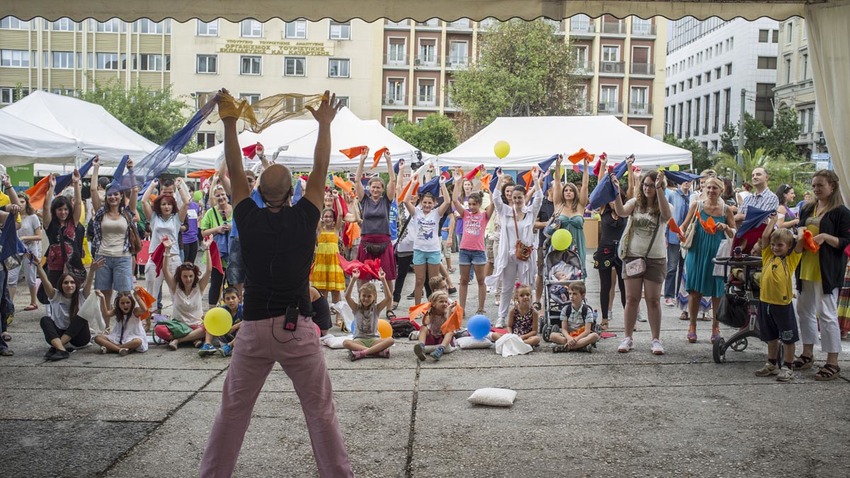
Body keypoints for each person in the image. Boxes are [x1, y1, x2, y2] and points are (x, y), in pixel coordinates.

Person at [201, 90, 353, 477]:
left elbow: (235, 170)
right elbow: (320, 169)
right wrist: (323, 125)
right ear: (291, 193)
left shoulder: (246, 218)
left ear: (257, 192)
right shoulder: (305, 216)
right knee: (321, 414)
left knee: (232, 414)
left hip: (252, 328)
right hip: (297, 327)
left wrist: (230, 122)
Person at [793, 170, 850, 381]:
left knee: (827, 313)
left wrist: (825, 236)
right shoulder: (808, 207)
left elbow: (845, 241)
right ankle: (807, 352)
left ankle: (832, 361)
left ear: (832, 186)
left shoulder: (841, 212)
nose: (816, 189)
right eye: (814, 185)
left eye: (820, 185)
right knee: (804, 311)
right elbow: (800, 226)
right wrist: (800, 232)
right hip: (806, 265)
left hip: (827, 269)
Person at [611, 170, 672, 355]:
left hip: (655, 257)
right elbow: (621, 212)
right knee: (631, 299)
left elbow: (667, 215)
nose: (647, 188)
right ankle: (627, 337)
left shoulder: (663, 204)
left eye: (651, 185)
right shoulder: (635, 203)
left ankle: (656, 339)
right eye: (645, 185)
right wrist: (615, 190)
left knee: (653, 300)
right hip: (633, 256)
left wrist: (660, 189)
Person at [679, 177, 736, 344]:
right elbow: (684, 225)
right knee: (694, 290)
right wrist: (680, 232)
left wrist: (725, 227)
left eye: (715, 188)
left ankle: (715, 327)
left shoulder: (726, 210)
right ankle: (692, 326)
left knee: (717, 291)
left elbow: (734, 233)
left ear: (721, 191)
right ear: (705, 189)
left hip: (717, 253)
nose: (711, 191)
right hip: (697, 251)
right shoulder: (697, 205)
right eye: (709, 188)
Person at [487, 170, 544, 327]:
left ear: (524, 198)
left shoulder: (530, 212)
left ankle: (526, 317)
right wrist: (499, 180)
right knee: (507, 287)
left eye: (520, 197)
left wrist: (535, 180)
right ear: (511, 198)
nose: (517, 200)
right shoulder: (505, 211)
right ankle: (501, 317)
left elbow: (539, 198)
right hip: (509, 256)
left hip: (525, 256)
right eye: (515, 197)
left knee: (526, 288)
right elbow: (496, 198)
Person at [754, 215, 803, 382]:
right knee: (770, 336)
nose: (775, 247)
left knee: (788, 337)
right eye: (774, 245)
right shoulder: (768, 255)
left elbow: (801, 243)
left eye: (780, 245)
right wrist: (773, 222)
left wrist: (801, 229)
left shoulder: (790, 260)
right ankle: (772, 363)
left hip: (782, 304)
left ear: (789, 246)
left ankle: (788, 367)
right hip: (765, 302)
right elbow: (765, 237)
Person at [33, 254, 104, 361]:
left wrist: (92, 270)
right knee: (45, 319)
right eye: (66, 283)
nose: (69, 285)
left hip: (79, 338)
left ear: (76, 285)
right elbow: (45, 281)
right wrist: (38, 266)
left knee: (81, 317)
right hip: (59, 333)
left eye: (72, 282)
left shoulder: (81, 295)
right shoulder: (55, 295)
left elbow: (88, 283)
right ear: (61, 285)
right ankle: (62, 350)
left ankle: (57, 347)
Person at [90, 156, 138, 314]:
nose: (113, 197)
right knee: (105, 296)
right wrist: (96, 167)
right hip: (102, 256)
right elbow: (92, 190)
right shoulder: (100, 212)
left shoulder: (127, 212)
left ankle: (124, 328)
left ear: (121, 196)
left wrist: (131, 170)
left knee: (125, 295)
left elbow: (135, 190)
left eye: (116, 194)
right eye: (110, 194)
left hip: (123, 257)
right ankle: (106, 328)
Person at [142, 176, 190, 315]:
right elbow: (144, 201)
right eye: (163, 204)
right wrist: (152, 186)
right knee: (151, 291)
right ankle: (147, 323)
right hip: (155, 258)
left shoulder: (176, 218)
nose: (166, 206)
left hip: (173, 257)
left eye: (169, 204)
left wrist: (179, 186)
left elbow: (186, 202)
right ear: (159, 205)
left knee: (177, 291)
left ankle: (178, 319)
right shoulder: (153, 218)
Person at [354, 147, 397, 298]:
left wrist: (389, 161)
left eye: (379, 187)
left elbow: (393, 180)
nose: (376, 189)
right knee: (363, 276)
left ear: (382, 189)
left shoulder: (386, 201)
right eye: (373, 187)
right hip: (366, 242)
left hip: (384, 241)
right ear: (369, 188)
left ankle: (389, 305)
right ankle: (362, 302)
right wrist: (362, 160)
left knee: (387, 276)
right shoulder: (364, 200)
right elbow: (357, 180)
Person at [157, 237, 213, 350]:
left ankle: (179, 340)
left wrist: (207, 248)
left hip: (196, 325)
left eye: (191, 276)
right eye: (185, 276)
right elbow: (165, 270)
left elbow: (209, 270)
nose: (188, 279)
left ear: (195, 276)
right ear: (180, 277)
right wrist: (167, 250)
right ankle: (193, 338)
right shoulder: (175, 287)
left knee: (209, 327)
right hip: (179, 326)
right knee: (159, 329)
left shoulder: (199, 287)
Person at [451, 171, 494, 315]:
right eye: (469, 204)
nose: (471, 206)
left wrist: (489, 187)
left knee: (481, 281)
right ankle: (461, 309)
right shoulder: (465, 214)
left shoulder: (484, 216)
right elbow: (455, 201)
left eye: (474, 204)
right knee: (463, 281)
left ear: (480, 205)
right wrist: (458, 183)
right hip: (464, 250)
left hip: (478, 252)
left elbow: (494, 203)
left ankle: (481, 307)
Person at [403, 179, 451, 304]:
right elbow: (405, 200)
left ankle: (434, 307)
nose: (427, 205)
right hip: (419, 250)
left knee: (434, 282)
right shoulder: (416, 212)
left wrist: (442, 184)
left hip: (433, 251)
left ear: (434, 203)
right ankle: (417, 308)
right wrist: (412, 184)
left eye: (430, 203)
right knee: (419, 281)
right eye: (425, 202)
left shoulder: (437, 213)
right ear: (421, 202)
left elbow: (447, 201)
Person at [42, 172, 85, 290]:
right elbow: (46, 207)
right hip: (55, 266)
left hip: (73, 264)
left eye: (66, 209)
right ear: (54, 211)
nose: (63, 212)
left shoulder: (73, 222)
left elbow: (77, 203)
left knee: (74, 294)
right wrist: (52, 187)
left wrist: (76, 184)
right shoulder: (50, 225)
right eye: (60, 209)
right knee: (56, 295)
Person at [342, 269, 394, 360]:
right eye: (364, 296)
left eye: (369, 296)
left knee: (391, 340)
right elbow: (347, 296)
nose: (366, 298)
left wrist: (383, 279)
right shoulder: (356, 308)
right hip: (359, 340)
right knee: (346, 343)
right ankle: (376, 352)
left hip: (374, 340)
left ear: (374, 297)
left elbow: (389, 297)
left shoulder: (376, 309)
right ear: (360, 296)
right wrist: (354, 279)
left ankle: (363, 353)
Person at [552, 154, 590, 276]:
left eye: (571, 190)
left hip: (577, 243)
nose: (568, 192)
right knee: (561, 272)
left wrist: (585, 167)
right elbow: (557, 183)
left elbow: (585, 186)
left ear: (575, 193)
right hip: (561, 244)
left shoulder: (580, 206)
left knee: (577, 272)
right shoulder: (558, 205)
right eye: (566, 190)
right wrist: (558, 165)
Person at [200, 184, 232, 306]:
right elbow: (203, 232)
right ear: (214, 197)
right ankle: (212, 311)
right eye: (218, 195)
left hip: (232, 253)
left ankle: (231, 310)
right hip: (216, 254)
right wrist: (217, 229)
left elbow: (244, 228)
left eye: (223, 194)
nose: (221, 197)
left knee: (232, 283)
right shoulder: (210, 213)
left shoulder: (235, 209)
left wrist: (231, 227)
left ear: (227, 195)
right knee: (215, 283)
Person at [733, 167, 779, 253]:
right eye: (753, 175)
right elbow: (738, 219)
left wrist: (742, 217)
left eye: (758, 174)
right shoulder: (747, 199)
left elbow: (762, 219)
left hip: (759, 241)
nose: (754, 177)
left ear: (766, 177)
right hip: (742, 238)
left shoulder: (772, 197)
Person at [10, 192, 41, 313]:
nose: (20, 204)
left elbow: (39, 236)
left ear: (27, 203)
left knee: (30, 277)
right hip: (15, 249)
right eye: (18, 201)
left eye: (22, 202)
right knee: (12, 277)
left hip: (30, 248)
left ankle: (33, 301)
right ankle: (9, 304)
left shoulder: (32, 217)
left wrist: (25, 238)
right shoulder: (11, 217)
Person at [548, 281, 600, 353]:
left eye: (575, 294)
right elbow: (564, 329)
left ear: (583, 295)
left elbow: (587, 331)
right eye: (570, 294)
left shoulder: (587, 310)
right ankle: (581, 347)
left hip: (582, 336)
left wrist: (576, 339)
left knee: (595, 336)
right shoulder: (566, 309)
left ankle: (565, 347)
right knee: (552, 336)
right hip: (570, 335)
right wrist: (569, 338)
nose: (571, 296)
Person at [311, 199, 345, 304]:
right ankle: (324, 314)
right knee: (322, 291)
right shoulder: (320, 229)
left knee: (336, 291)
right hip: (322, 264)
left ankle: (339, 315)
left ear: (333, 219)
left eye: (330, 216)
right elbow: (315, 210)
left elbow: (340, 214)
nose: (328, 218)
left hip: (333, 264)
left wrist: (336, 198)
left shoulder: (336, 230)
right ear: (322, 218)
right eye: (326, 216)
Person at [93, 289, 148, 355]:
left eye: (128, 302)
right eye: (122, 303)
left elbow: (144, 309)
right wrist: (102, 298)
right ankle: (120, 349)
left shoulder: (135, 311)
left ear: (132, 303)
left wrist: (136, 296)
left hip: (132, 337)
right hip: (117, 337)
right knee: (97, 338)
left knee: (138, 342)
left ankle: (112, 348)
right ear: (118, 304)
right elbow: (106, 313)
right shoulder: (117, 311)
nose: (125, 305)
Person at [664, 178, 692, 308]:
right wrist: (665, 235)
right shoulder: (672, 195)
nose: (687, 183)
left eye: (689, 181)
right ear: (679, 182)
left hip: (688, 237)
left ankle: (679, 295)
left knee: (684, 268)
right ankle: (668, 295)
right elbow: (667, 216)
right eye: (684, 181)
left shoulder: (693, 196)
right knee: (672, 267)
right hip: (674, 236)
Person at [413, 290, 456, 362]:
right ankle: (421, 347)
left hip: (443, 339)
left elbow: (448, 325)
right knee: (423, 327)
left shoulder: (446, 312)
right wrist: (425, 314)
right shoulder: (431, 312)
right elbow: (425, 323)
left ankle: (441, 349)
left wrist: (449, 309)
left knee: (450, 331)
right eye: (441, 301)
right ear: (433, 304)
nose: (444, 303)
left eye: (446, 302)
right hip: (432, 338)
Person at [201, 286, 244, 358]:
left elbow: (250, 321)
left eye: (233, 298)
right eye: (228, 299)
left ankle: (230, 346)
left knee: (244, 328)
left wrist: (234, 327)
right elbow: (208, 317)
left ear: (239, 299)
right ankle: (208, 344)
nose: (231, 301)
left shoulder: (243, 309)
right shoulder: (222, 310)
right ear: (224, 301)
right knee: (211, 323)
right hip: (225, 335)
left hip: (239, 338)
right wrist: (207, 316)